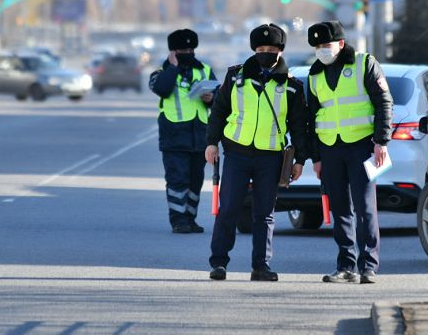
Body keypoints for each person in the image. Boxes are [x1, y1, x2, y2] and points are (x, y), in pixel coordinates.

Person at [205, 23, 309, 281]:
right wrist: (211, 142)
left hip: (270, 156)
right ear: (254, 50)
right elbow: (219, 112)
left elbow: (298, 126)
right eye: (261, 48)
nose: (265, 52)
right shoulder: (235, 77)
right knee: (228, 208)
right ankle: (219, 263)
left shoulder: (292, 86)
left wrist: (300, 160)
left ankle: (260, 266)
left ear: (280, 51)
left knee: (264, 213)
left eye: (271, 49)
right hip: (236, 153)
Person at [306, 20, 393, 284]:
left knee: (365, 207)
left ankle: (368, 265)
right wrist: (316, 157)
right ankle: (346, 266)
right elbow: (312, 117)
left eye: (326, 45)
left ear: (340, 43)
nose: (322, 49)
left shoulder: (363, 63)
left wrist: (381, 141)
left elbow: (383, 102)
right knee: (340, 209)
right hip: (330, 149)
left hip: (362, 147)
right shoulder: (314, 74)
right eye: (318, 46)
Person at [149, 28, 218, 234]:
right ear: (173, 51)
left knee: (195, 181)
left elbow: (219, 96)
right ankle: (178, 220)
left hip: (200, 136)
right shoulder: (161, 73)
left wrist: (210, 98)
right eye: (182, 49)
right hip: (174, 137)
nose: (187, 52)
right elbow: (162, 89)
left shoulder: (204, 70)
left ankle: (190, 218)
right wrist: (173, 67)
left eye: (190, 48)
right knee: (177, 180)